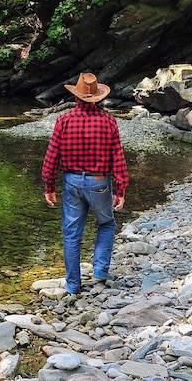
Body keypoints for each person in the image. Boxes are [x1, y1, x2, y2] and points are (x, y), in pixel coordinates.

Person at [41, 72, 128, 295]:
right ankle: (99, 269)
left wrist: (49, 187)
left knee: (71, 234)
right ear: (98, 98)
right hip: (99, 182)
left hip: (71, 182)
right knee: (106, 224)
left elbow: (52, 156)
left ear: (76, 98)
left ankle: (72, 284)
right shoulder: (109, 122)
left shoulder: (63, 120)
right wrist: (121, 189)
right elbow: (117, 158)